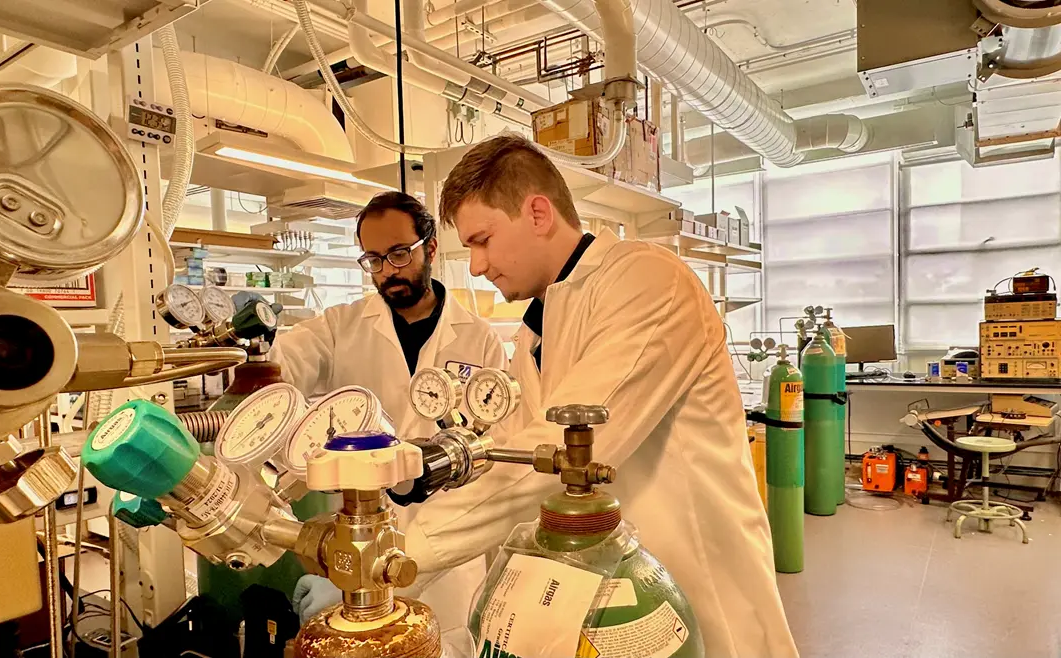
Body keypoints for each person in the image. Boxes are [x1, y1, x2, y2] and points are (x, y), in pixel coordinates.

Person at [397, 134, 800, 657]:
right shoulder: (536, 331)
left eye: (483, 240)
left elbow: (552, 454)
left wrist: (406, 557)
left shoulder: (646, 281)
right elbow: (510, 459)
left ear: (537, 212)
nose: (475, 265)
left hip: (696, 589)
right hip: (604, 597)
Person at [270, 191, 507, 630]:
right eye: (374, 259)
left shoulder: (479, 338)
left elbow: (496, 449)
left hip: (450, 543)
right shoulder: (340, 327)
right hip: (362, 535)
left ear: (430, 247)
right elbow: (284, 364)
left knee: (448, 642)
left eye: (399, 254)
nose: (387, 272)